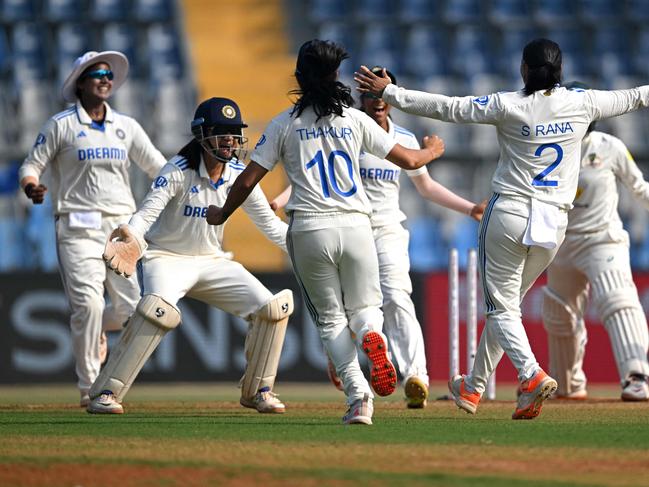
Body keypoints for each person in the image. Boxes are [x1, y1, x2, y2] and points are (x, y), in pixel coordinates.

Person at [355, 38, 649, 419]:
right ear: (559, 71)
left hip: (509, 214)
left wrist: (389, 91)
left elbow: (448, 108)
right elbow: (638, 96)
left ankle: (530, 375)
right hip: (554, 223)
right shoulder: (585, 102)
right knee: (506, 307)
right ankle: (474, 388)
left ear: (524, 70)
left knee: (500, 308)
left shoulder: (508, 104)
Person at [204, 40, 445, 425]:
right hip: (357, 226)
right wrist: (432, 149)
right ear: (336, 77)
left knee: (331, 321)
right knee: (366, 310)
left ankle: (359, 399)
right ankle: (373, 336)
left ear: (299, 76)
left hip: (311, 230)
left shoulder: (285, 122)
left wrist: (221, 214)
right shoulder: (356, 120)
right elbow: (412, 159)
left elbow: (247, 180)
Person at [270, 66, 485, 409]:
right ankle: (345, 356)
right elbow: (313, 173)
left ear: (391, 98)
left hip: (386, 230)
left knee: (397, 297)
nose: (376, 100)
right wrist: (280, 201)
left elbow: (425, 186)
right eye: (368, 94)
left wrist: (470, 208)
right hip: (348, 226)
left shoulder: (405, 138)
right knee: (346, 308)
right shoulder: (347, 128)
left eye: (381, 93)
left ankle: (416, 376)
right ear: (360, 99)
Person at [86, 97, 292, 415]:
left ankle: (258, 391)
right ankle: (106, 393)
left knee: (272, 309)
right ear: (201, 134)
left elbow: (271, 227)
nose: (230, 139)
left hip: (213, 261)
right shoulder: (177, 170)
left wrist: (307, 247)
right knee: (157, 310)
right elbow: (146, 213)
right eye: (221, 131)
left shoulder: (240, 175)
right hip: (167, 258)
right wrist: (130, 234)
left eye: (234, 132)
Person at [18, 51, 167, 407]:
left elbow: (159, 169)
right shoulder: (61, 125)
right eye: (97, 73)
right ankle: (91, 385)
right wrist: (31, 186)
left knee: (133, 312)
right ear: (79, 83)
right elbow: (31, 165)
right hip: (77, 225)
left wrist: (177, 193)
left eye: (109, 75)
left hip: (121, 229)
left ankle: (99, 331)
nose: (105, 79)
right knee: (87, 304)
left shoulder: (126, 126)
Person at [543, 82, 649, 402]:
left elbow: (639, 187)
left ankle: (636, 375)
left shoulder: (608, 146)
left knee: (617, 299)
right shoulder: (548, 147)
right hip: (560, 243)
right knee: (559, 314)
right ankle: (567, 384)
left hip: (602, 240)